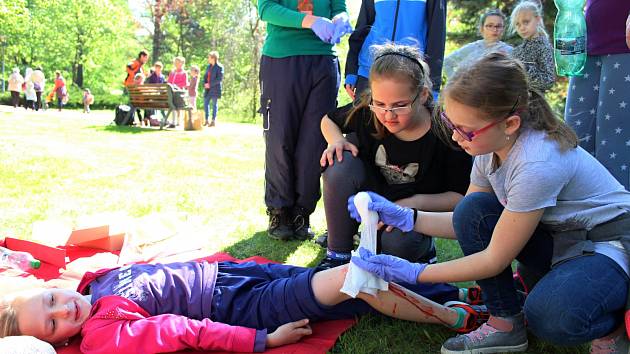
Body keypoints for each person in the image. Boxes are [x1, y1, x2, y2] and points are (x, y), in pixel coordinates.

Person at [347, 52, 630, 353]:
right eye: (449, 123)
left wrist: (413, 272)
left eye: (464, 130)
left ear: (509, 123)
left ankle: (612, 326)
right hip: (565, 239)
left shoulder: (536, 162)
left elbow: (494, 258)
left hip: (610, 244)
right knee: (472, 210)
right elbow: (467, 221)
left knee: (550, 316)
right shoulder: (488, 144)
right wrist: (407, 216)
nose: (456, 138)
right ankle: (505, 322)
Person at [0, 260, 489, 353]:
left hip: (237, 275)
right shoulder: (103, 334)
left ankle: (460, 293)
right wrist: (262, 340)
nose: (65, 310)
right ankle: (457, 313)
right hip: (243, 307)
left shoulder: (93, 282)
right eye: (52, 326)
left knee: (351, 298)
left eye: (50, 301)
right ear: (58, 343)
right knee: (351, 278)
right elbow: (179, 330)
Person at [318, 44, 472, 269]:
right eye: (379, 104)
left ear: (422, 95)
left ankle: (422, 253)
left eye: (400, 106)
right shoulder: (368, 113)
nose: (388, 115)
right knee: (339, 161)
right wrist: (336, 141)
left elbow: (461, 198)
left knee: (396, 243)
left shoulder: (446, 131)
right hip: (372, 204)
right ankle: (338, 256)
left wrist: (407, 206)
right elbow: (328, 119)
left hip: (413, 217)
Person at [258, 0, 352, 241]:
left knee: (315, 141)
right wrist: (310, 21)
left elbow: (338, 6)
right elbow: (266, 9)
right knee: (280, 137)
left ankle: (302, 212)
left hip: (323, 59)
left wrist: (341, 17)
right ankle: (279, 211)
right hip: (282, 58)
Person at [565, 2, 630, 191]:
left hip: (623, 44)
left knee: (615, 142)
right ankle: (582, 208)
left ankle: (621, 211)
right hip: (586, 45)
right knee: (575, 135)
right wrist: (568, 49)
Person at [344, 0, 446, 102]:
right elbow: (362, 27)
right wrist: (351, 71)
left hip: (409, 73)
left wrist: (433, 87)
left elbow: (436, 36)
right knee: (361, 117)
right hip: (369, 70)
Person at [443, 8, 512, 81]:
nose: (495, 29)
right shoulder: (472, 48)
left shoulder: (510, 51)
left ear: (503, 29)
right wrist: (458, 84)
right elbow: (446, 62)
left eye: (498, 26)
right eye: (489, 25)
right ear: (482, 28)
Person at [509, 0, 555, 92]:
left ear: (537, 19)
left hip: (534, 102)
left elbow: (548, 81)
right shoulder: (517, 51)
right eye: (518, 24)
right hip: (516, 101)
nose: (522, 28)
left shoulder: (544, 47)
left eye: (526, 22)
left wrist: (524, 68)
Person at [203, 51, 224, 127]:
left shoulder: (219, 67)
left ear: (213, 58)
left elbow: (219, 79)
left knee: (214, 104)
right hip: (207, 89)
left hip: (215, 89)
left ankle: (213, 120)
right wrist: (205, 84)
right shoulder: (208, 67)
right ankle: (206, 120)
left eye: (209, 57)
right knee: (206, 103)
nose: (208, 59)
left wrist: (210, 84)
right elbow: (205, 76)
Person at [167, 56, 188, 128]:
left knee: (178, 106)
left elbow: (185, 83)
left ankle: (178, 121)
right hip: (171, 92)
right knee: (172, 105)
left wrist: (176, 85)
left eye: (178, 62)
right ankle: (173, 121)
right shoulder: (172, 72)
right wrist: (171, 86)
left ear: (182, 63)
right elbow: (168, 82)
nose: (176, 64)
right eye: (175, 62)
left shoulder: (184, 73)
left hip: (179, 92)